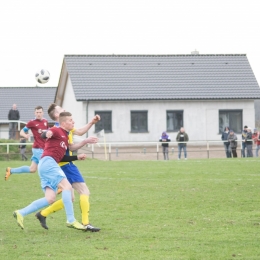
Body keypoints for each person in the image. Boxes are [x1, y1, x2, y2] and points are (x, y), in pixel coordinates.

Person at [13, 112, 86, 230]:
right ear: (63, 123)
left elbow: (61, 157)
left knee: (50, 198)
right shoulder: (57, 130)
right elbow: (45, 134)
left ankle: (21, 212)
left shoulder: (65, 136)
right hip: (49, 163)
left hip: (45, 165)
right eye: (71, 120)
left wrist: (76, 157)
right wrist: (48, 133)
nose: (73, 122)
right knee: (67, 187)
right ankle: (71, 220)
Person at [35, 103, 100, 232]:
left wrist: (91, 123)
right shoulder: (57, 129)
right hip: (65, 165)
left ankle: (42, 214)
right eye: (62, 110)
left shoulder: (66, 128)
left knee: (69, 198)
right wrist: (45, 133)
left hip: (63, 165)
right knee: (84, 191)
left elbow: (78, 134)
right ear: (57, 115)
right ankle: (86, 223)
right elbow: (46, 134)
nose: (65, 110)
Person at [5, 106, 48, 180]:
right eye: (37, 112)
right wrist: (25, 135)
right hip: (38, 148)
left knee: (32, 169)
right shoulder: (32, 122)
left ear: (43, 113)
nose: (38, 114)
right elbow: (22, 131)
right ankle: (59, 185)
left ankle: (11, 170)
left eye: (40, 112)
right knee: (47, 166)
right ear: (34, 113)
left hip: (44, 148)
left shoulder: (45, 121)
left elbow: (47, 133)